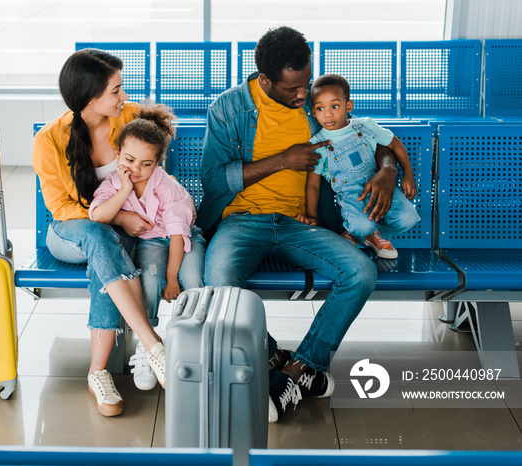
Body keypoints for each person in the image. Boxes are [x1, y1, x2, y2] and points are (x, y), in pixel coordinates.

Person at [197, 26, 398, 422]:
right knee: (219, 284)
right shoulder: (229, 108)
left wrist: (389, 168)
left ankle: (301, 367)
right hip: (242, 221)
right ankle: (271, 354)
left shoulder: (314, 101)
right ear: (266, 80)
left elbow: (367, 139)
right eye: (293, 89)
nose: (304, 96)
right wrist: (282, 160)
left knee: (360, 271)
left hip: (301, 223)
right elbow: (214, 179)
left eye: (306, 83)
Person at [32, 49, 165, 417]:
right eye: (116, 91)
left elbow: (153, 178)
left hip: (110, 234)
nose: (124, 97)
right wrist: (118, 217)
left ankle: (98, 372)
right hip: (68, 232)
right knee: (98, 236)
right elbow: (60, 208)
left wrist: (122, 217)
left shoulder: (133, 118)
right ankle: (152, 342)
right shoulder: (49, 140)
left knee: (102, 251)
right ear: (91, 98)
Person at [89, 103, 206, 390]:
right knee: (149, 278)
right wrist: (126, 190)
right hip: (152, 240)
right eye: (129, 160)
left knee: (193, 280)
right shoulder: (115, 184)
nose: (136, 170)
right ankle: (148, 345)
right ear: (117, 153)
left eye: (146, 164)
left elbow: (178, 236)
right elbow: (97, 215)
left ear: (158, 163)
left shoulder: (167, 187)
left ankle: (191, 344)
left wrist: (172, 278)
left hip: (185, 238)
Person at [299, 73, 420, 259]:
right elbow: (313, 184)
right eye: (320, 108)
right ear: (314, 113)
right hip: (352, 196)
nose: (328, 113)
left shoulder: (365, 126)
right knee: (362, 225)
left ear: (349, 106)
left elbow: (394, 143)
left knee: (408, 218)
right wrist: (311, 216)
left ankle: (366, 233)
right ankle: (361, 232)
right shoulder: (318, 144)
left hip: (381, 188)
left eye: (335, 106)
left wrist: (408, 174)